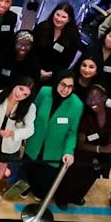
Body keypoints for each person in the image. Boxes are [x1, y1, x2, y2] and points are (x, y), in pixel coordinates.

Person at [18, 72, 83, 201]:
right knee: (28, 169)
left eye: (70, 86)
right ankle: (24, 187)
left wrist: (69, 151)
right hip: (34, 142)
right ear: (56, 82)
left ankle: (38, 191)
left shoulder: (77, 105)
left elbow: (72, 132)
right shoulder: (44, 92)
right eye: (63, 85)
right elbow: (31, 112)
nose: (65, 89)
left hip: (54, 149)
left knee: (43, 179)